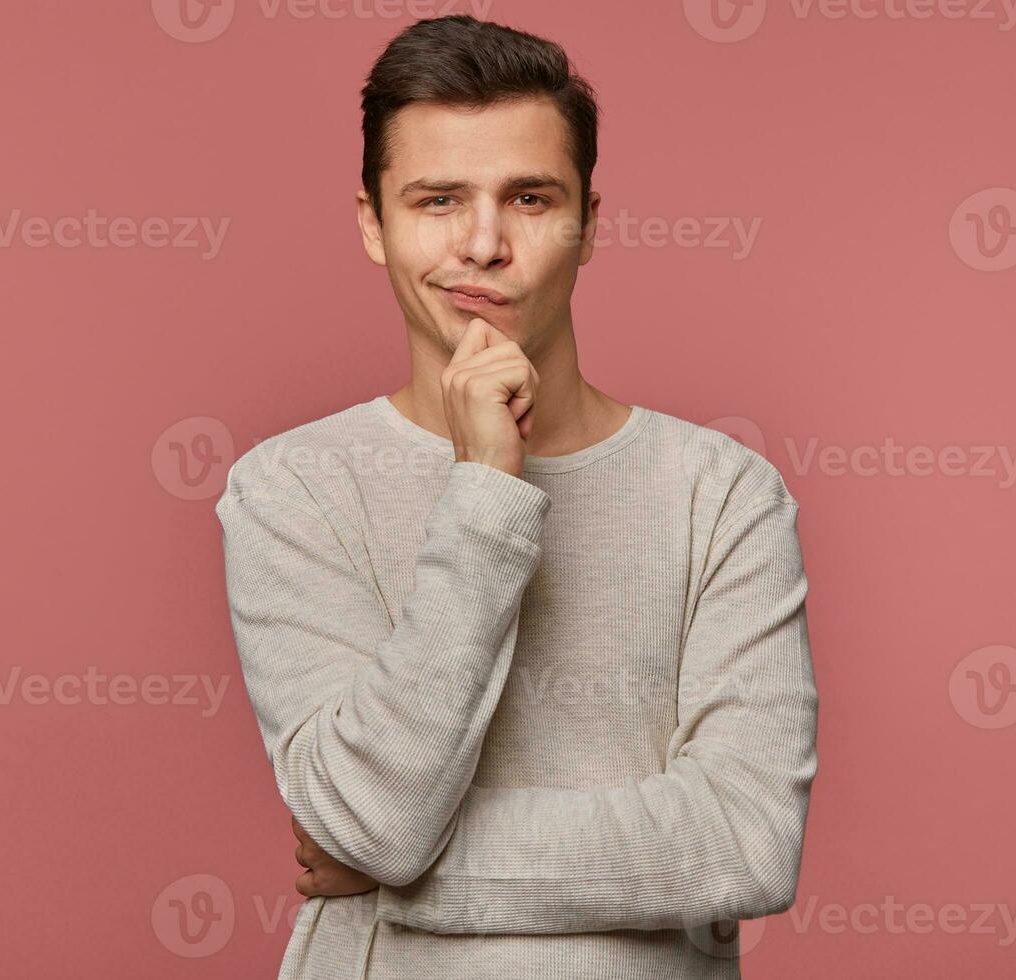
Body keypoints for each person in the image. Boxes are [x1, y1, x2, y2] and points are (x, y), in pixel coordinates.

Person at [215, 14, 819, 979]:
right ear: (374, 223)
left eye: (530, 198)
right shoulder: (294, 489)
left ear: (588, 224)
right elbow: (381, 813)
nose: (484, 243)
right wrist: (486, 487)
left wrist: (387, 879)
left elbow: (746, 838)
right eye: (438, 199)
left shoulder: (721, 493)